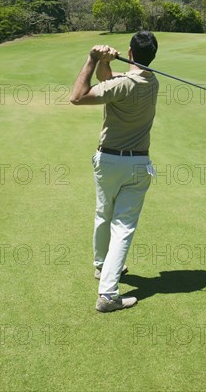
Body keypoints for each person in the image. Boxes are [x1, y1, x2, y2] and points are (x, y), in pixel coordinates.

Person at [70, 31, 159, 312]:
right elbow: (108, 80)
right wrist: (105, 62)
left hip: (108, 161)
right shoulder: (152, 81)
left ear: (130, 53)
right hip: (136, 165)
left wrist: (92, 58)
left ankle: (104, 278)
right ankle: (106, 282)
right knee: (123, 227)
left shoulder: (122, 85)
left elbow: (77, 96)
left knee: (103, 213)